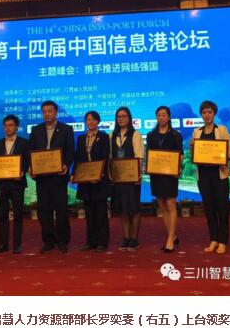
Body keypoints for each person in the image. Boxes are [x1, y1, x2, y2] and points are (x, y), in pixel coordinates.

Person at [28, 100, 75, 253]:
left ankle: (62, 240)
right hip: (42, 177)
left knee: (61, 209)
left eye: (50, 111)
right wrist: (31, 166)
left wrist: (66, 164)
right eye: (44, 112)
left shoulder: (66, 129)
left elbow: (70, 151)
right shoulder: (36, 130)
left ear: (56, 112)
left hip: (59, 176)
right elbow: (30, 151)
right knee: (44, 210)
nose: (47, 114)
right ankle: (48, 240)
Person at [190, 101, 230, 254]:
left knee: (222, 208)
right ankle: (213, 239)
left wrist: (223, 158)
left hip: (219, 174)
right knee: (209, 208)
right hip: (203, 176)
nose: (207, 115)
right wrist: (192, 146)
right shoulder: (196, 132)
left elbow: (229, 152)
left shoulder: (222, 130)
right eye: (204, 112)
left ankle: (223, 241)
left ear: (214, 113)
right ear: (201, 115)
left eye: (209, 112)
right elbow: (194, 155)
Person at [146, 106, 183, 253]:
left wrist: (177, 168)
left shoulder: (175, 135)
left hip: (170, 175)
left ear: (169, 117)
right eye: (159, 115)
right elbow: (149, 154)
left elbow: (180, 155)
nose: (161, 118)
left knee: (171, 204)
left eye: (164, 115)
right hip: (156, 175)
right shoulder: (151, 135)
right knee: (162, 205)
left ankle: (170, 240)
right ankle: (172, 236)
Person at [0, 115, 29, 255]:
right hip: (1, 184)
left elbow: (27, 161)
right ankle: (2, 244)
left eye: (11, 125)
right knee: (2, 215)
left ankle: (17, 245)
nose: (8, 128)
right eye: (6, 125)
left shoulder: (24, 143)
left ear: (16, 127)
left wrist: (22, 172)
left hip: (17, 183)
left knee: (18, 214)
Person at [73, 111, 111, 252]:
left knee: (100, 212)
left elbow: (105, 157)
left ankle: (102, 242)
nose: (91, 122)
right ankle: (90, 241)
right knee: (89, 213)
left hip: (99, 180)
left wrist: (99, 173)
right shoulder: (81, 138)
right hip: (85, 180)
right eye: (88, 119)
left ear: (98, 121)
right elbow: (78, 158)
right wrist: (74, 174)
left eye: (94, 119)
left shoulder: (104, 137)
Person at [110, 106, 144, 251]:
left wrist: (138, 174)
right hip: (118, 178)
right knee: (122, 209)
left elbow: (139, 157)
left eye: (124, 116)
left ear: (129, 118)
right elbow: (110, 157)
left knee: (133, 208)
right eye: (119, 116)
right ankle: (126, 237)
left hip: (132, 177)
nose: (121, 119)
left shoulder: (136, 134)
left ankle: (134, 239)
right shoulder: (112, 135)